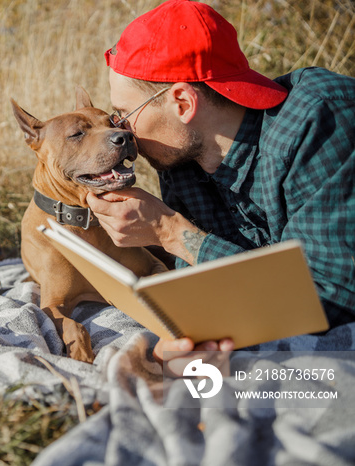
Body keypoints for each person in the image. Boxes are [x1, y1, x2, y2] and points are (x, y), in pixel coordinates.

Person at [86, 0, 355, 368]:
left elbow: (332, 297)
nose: (122, 132)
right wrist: (186, 335)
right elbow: (208, 284)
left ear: (182, 102)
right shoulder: (180, 156)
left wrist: (170, 232)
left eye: (126, 115)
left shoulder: (321, 123)